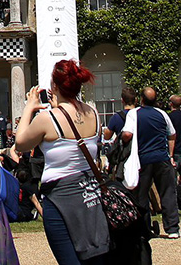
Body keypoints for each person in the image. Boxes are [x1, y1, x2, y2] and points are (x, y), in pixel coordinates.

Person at [14, 59, 110, 265]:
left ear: (54, 86)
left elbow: (20, 143)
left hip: (60, 196)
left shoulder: (48, 118)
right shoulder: (92, 112)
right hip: (90, 192)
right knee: (96, 258)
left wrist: (29, 108)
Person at [135, 86, 180, 239]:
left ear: (141, 99)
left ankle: (144, 228)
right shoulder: (162, 114)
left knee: (141, 195)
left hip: (143, 158)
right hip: (162, 157)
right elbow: (172, 134)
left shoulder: (135, 114)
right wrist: (171, 154)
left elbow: (127, 134)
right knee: (167, 192)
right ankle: (172, 228)